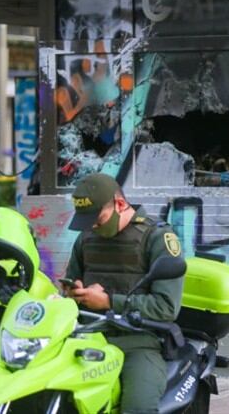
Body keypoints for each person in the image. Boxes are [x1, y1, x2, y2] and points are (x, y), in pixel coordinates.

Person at [65, 173, 184, 414]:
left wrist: (109, 301)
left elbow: (166, 307)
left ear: (120, 204)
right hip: (88, 336)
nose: (93, 227)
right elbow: (73, 281)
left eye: (99, 219)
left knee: (137, 407)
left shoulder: (157, 237)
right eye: (87, 222)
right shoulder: (86, 237)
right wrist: (73, 292)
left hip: (138, 342)